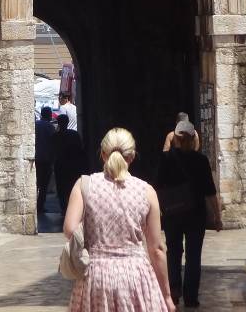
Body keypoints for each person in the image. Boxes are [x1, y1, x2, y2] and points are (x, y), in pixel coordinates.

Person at [64, 128, 176, 312]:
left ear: (102, 154)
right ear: (132, 157)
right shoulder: (147, 191)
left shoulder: (84, 185)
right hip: (136, 278)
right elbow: (156, 249)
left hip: (96, 276)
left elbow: (69, 228)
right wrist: (167, 296)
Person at [157, 119, 222, 308]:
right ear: (194, 138)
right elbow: (210, 192)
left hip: (172, 213)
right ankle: (191, 297)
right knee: (194, 255)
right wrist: (217, 217)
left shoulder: (166, 159)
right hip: (195, 214)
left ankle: (174, 291)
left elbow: (157, 187)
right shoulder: (201, 161)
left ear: (175, 138)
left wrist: (158, 210)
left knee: (173, 252)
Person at [54, 112, 85, 213]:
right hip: (73, 164)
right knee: (72, 186)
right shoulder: (74, 134)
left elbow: (53, 151)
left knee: (61, 188)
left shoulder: (55, 136)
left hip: (60, 165)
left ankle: (64, 209)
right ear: (67, 122)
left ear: (58, 123)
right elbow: (80, 149)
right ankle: (73, 208)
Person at [35, 106, 57, 215]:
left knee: (36, 184)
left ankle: (34, 205)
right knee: (44, 185)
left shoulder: (36, 124)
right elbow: (54, 143)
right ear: (49, 115)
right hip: (47, 159)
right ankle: (40, 206)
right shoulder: (50, 127)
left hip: (37, 158)